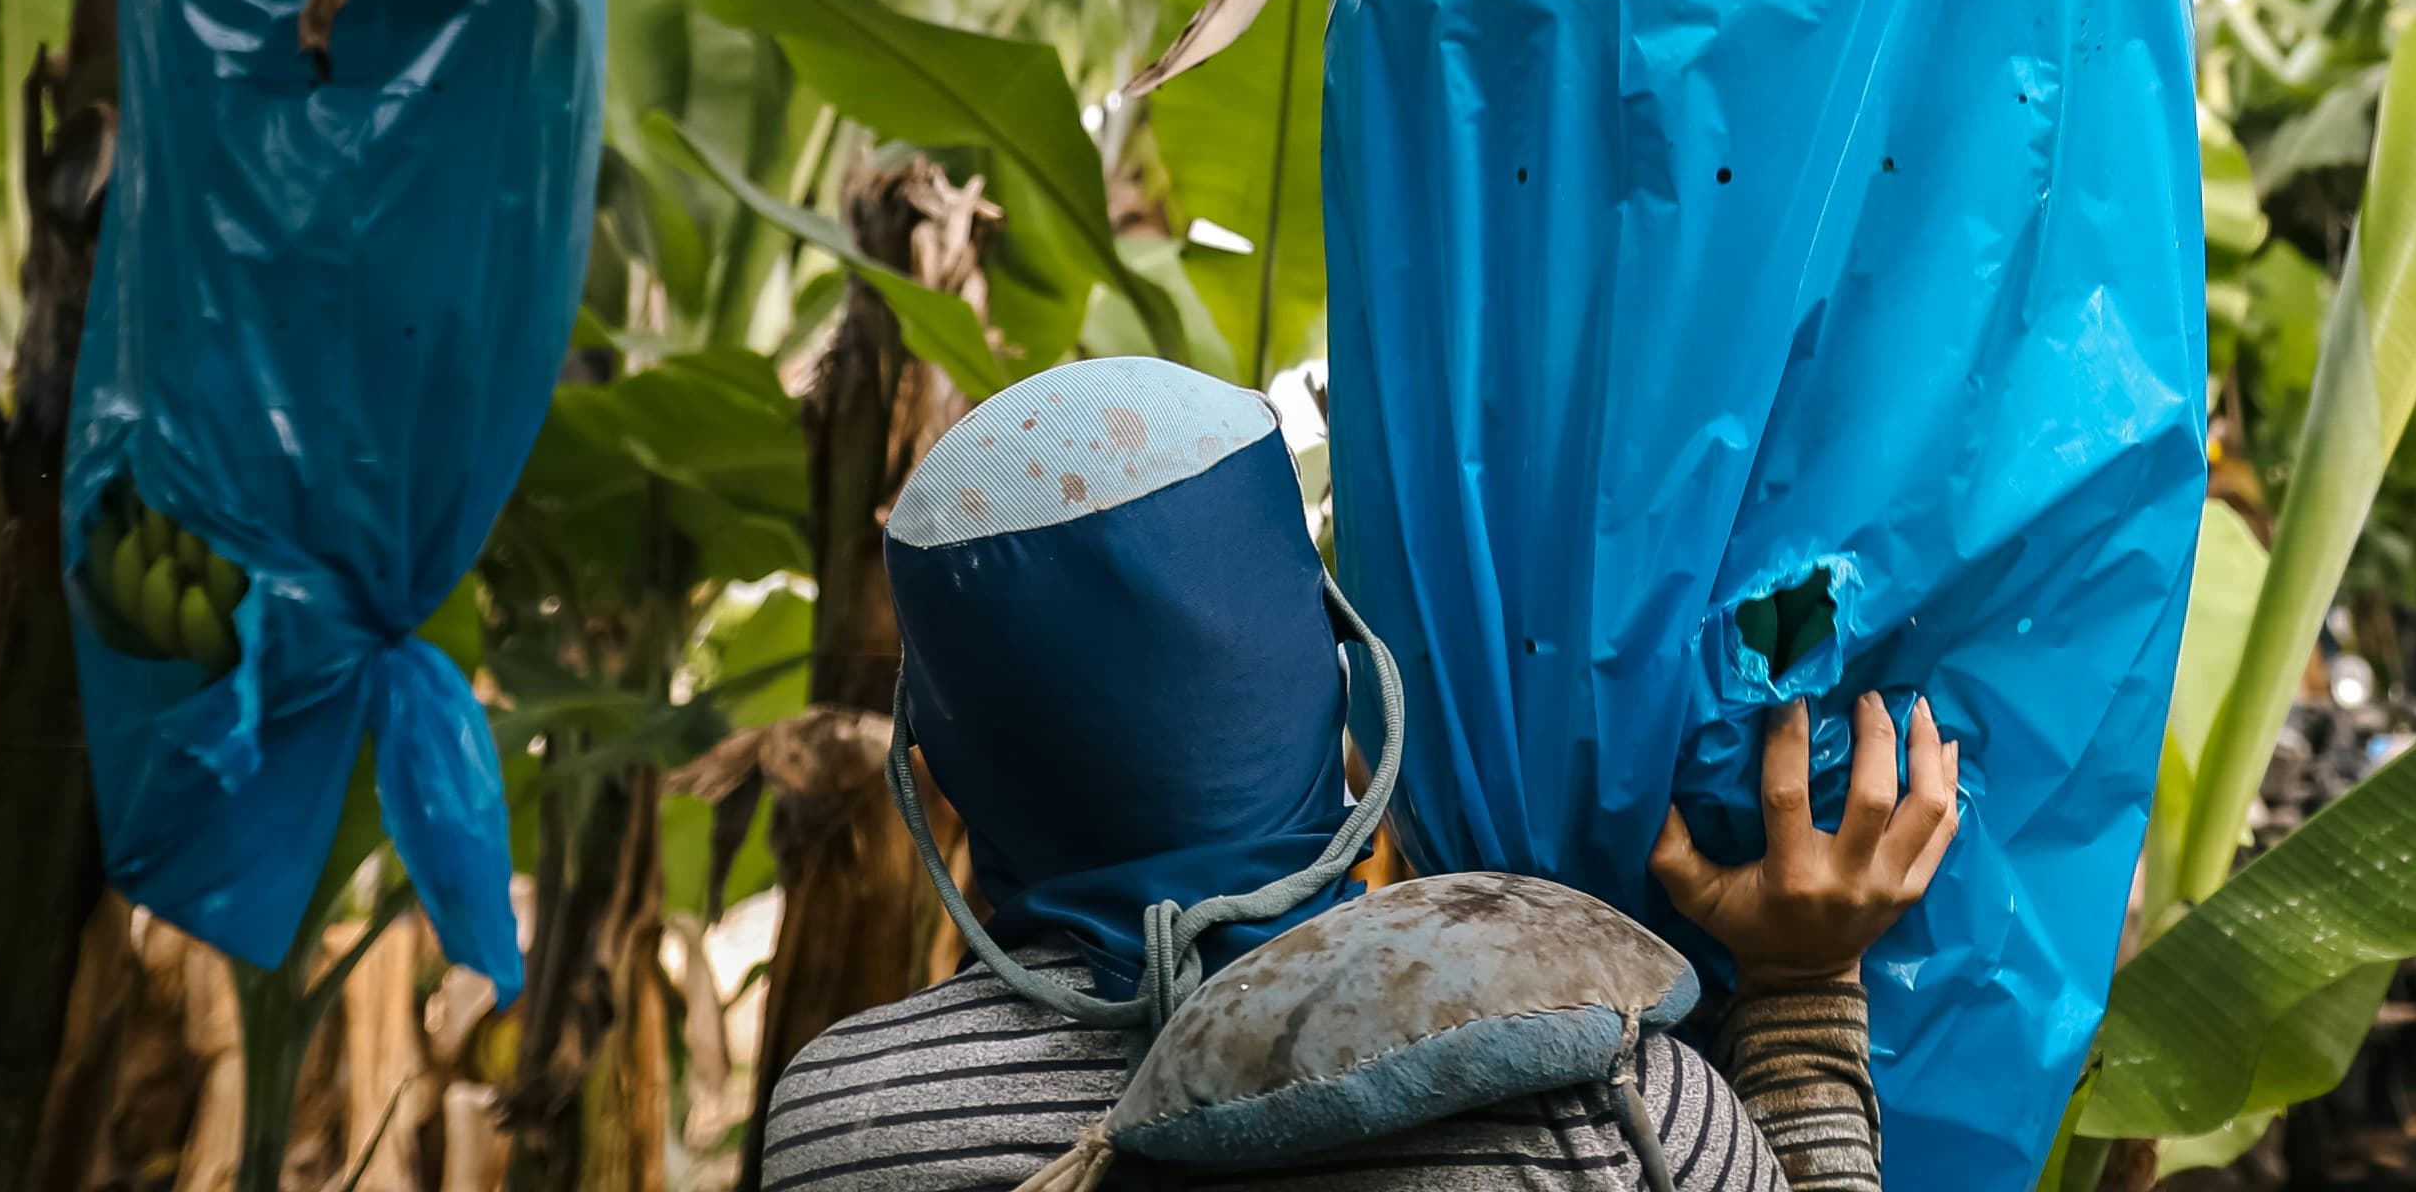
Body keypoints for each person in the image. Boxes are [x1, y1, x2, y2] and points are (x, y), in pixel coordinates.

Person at [763, 358, 1958, 1192]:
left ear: (942, 768)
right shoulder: (1617, 1100)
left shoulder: (852, 1130)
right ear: (1335, 671)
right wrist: (1802, 990)